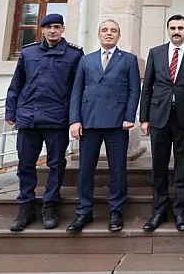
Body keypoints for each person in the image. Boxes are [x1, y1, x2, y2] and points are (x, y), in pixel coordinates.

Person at [5, 13, 83, 232]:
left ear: (63, 29)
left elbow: (77, 90)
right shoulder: (29, 52)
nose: (52, 31)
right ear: (42, 30)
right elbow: (16, 85)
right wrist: (11, 112)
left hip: (56, 118)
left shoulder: (74, 55)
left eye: (57, 27)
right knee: (25, 165)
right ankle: (26, 207)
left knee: (56, 165)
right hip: (29, 118)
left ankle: (50, 206)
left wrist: (75, 118)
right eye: (48, 27)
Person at [66, 20, 140, 233]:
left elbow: (134, 90)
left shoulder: (128, 60)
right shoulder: (86, 60)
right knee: (85, 168)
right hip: (88, 122)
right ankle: (84, 211)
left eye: (113, 31)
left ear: (119, 36)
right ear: (98, 34)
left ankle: (116, 210)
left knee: (117, 169)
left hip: (117, 123)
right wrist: (74, 120)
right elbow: (76, 91)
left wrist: (129, 117)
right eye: (105, 30)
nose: (109, 34)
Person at [140, 15, 184, 232]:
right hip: (159, 116)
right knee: (158, 166)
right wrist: (144, 118)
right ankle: (158, 211)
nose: (176, 31)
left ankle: (180, 212)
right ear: (168, 30)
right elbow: (147, 86)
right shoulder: (155, 52)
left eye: (180, 28)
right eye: (173, 28)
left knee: (183, 166)